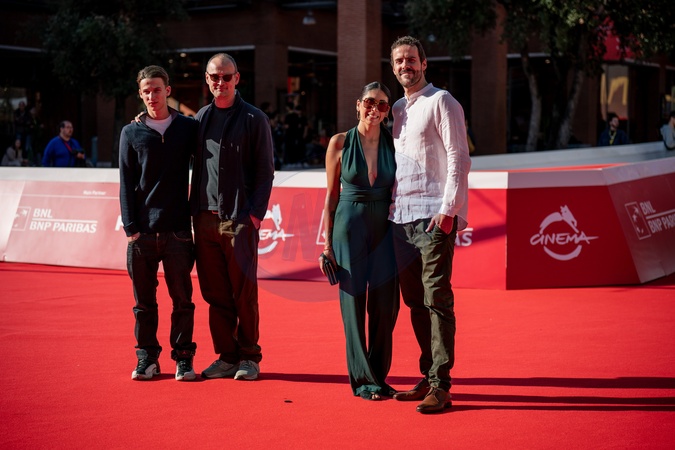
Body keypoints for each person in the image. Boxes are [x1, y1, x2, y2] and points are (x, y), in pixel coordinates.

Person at [388, 36, 471, 414]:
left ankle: (441, 384)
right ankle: (427, 375)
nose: (405, 65)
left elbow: (459, 157)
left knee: (437, 300)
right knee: (415, 303)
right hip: (400, 219)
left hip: (433, 218)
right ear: (393, 68)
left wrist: (449, 210)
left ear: (424, 64)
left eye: (411, 59)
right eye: (399, 61)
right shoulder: (396, 109)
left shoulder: (443, 101)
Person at [192, 53, 275, 381]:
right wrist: (143, 120)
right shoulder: (201, 117)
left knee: (244, 293)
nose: (220, 82)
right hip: (204, 219)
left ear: (237, 79)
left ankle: (249, 357)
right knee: (215, 294)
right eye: (215, 77)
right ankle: (227, 356)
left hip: (238, 220)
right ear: (207, 79)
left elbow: (265, 171)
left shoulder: (255, 118)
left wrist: (254, 216)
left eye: (226, 76)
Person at [320, 81, 399, 401]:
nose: (374, 109)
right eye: (369, 102)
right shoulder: (339, 142)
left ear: (387, 111)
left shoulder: (395, 144)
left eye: (382, 105)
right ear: (358, 104)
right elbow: (330, 196)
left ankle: (379, 376)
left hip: (385, 231)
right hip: (348, 229)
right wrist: (327, 245)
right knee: (352, 304)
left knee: (385, 305)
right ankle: (363, 380)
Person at [119, 65, 198, 381]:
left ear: (168, 90)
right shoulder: (131, 133)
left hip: (178, 231)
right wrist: (131, 229)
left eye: (156, 89)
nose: (152, 96)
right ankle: (147, 359)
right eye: (146, 91)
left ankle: (184, 359)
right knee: (144, 305)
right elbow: (126, 183)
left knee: (183, 301)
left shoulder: (188, 128)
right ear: (140, 95)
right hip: (142, 234)